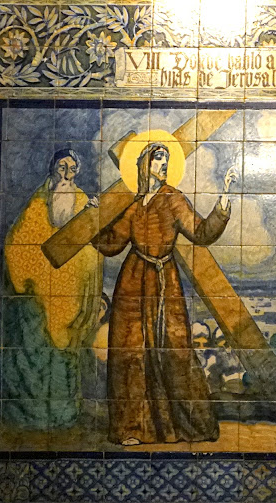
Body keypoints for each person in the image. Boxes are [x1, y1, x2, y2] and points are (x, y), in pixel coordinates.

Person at [93, 142, 236, 446]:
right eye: (158, 159)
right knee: (130, 353)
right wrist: (93, 218)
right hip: (132, 283)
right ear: (145, 164)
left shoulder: (173, 199)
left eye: (166, 160)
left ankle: (184, 425)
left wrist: (224, 200)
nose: (163, 164)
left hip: (164, 283)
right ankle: (132, 428)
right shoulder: (133, 206)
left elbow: (201, 232)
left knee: (175, 350)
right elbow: (111, 243)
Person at [3, 148, 103, 429]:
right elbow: (16, 244)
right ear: (52, 168)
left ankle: (63, 414)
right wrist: (29, 280)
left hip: (70, 295)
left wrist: (92, 217)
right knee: (34, 353)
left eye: (72, 169)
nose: (66, 175)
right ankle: (31, 417)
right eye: (61, 167)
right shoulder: (38, 203)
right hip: (36, 297)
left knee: (64, 357)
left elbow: (92, 251)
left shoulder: (83, 202)